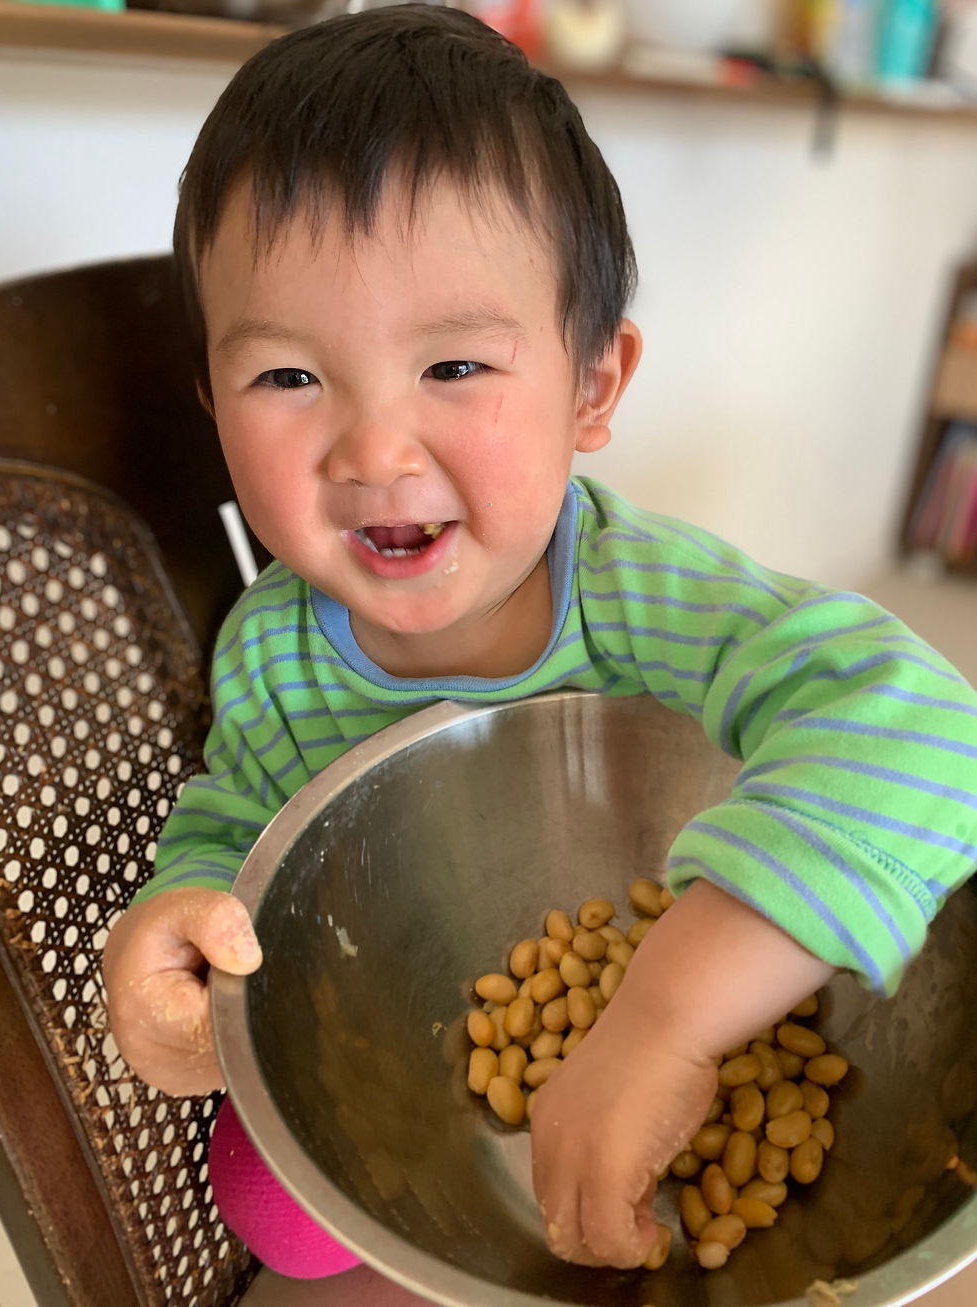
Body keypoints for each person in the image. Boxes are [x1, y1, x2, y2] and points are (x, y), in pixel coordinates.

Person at [102, 1, 977, 1282]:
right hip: (424, 1043)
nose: (374, 452)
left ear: (590, 387)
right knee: (270, 1207)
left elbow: (922, 729)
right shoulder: (272, 655)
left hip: (699, 959)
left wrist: (665, 1022)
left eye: (453, 365)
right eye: (288, 378)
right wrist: (178, 929)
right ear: (212, 406)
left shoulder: (643, 591)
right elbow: (242, 831)